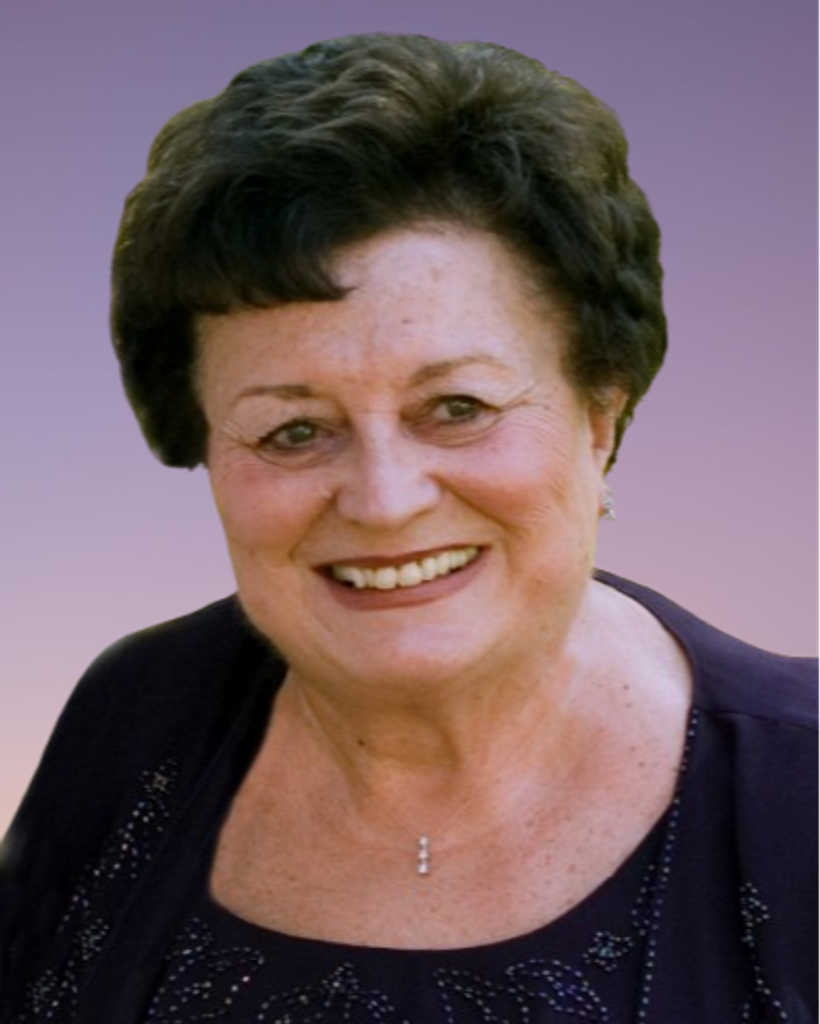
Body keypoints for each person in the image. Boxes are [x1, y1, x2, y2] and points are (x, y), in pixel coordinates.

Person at [0, 32, 816, 1024]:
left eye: (458, 408)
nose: (383, 501)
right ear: (206, 447)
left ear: (599, 417)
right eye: (294, 430)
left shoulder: (801, 790)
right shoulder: (135, 719)